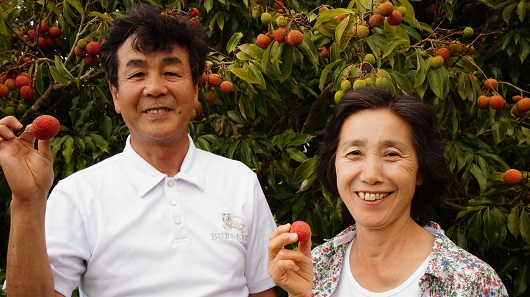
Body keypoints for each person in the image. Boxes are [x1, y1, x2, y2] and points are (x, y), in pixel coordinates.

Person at [1, 4, 277, 297]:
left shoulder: (239, 181)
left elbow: (261, 291)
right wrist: (27, 201)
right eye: (137, 75)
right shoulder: (79, 195)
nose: (155, 88)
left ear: (196, 89)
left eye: (171, 72)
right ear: (116, 95)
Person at [267, 88, 508, 296]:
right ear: (334, 165)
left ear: (421, 171)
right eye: (354, 153)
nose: (371, 175)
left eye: (392, 154)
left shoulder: (472, 282)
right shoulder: (315, 268)